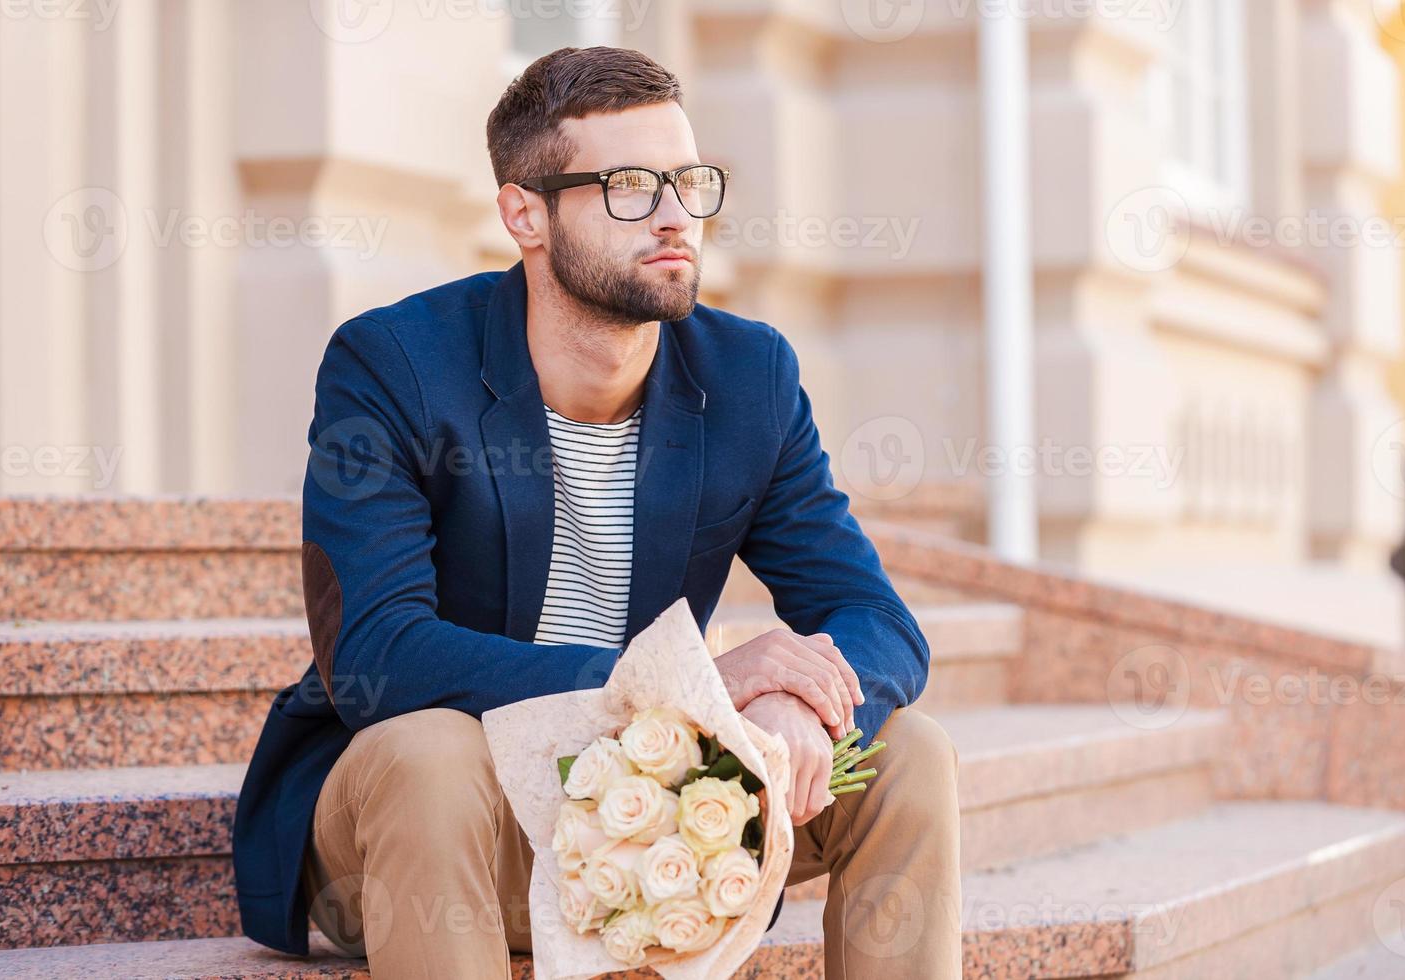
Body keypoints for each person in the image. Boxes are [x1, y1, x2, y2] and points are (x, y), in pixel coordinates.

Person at [232, 44, 961, 980]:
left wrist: (792, 698)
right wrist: (679, 686)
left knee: (906, 752)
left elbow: (876, 619)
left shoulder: (747, 377)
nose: (673, 217)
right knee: (428, 753)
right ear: (523, 213)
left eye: (688, 181)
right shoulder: (396, 367)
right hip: (447, 830)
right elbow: (378, 657)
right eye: (627, 185)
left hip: (651, 827)